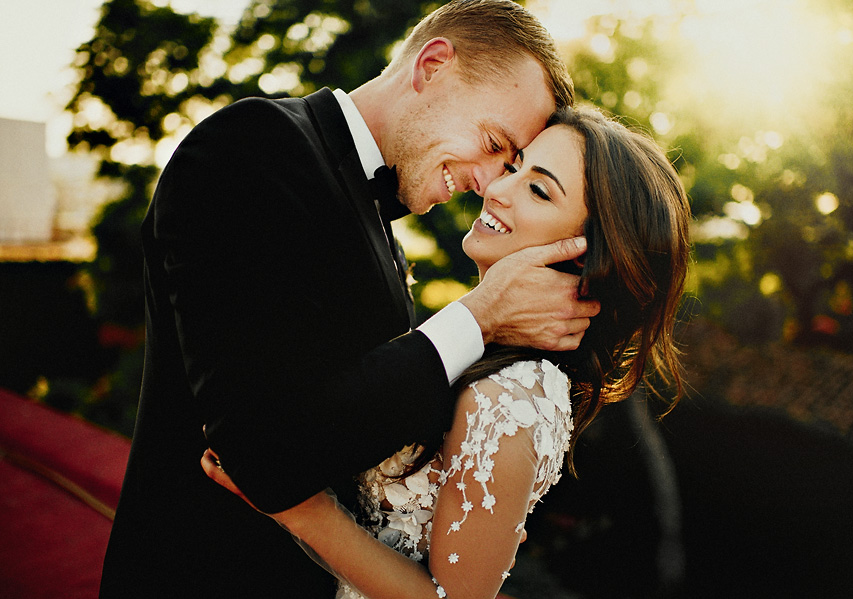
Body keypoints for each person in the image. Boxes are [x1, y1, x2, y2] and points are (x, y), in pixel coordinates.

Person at [99, 1, 599, 597]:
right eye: (493, 142)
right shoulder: (250, 147)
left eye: (513, 164)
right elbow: (259, 455)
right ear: (432, 65)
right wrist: (480, 315)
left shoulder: (376, 215)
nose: (490, 183)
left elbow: (349, 409)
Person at [202, 106, 693, 599]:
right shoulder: (472, 350)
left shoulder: (513, 395)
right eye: (515, 165)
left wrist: (302, 510)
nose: (498, 189)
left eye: (538, 190)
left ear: (585, 253)